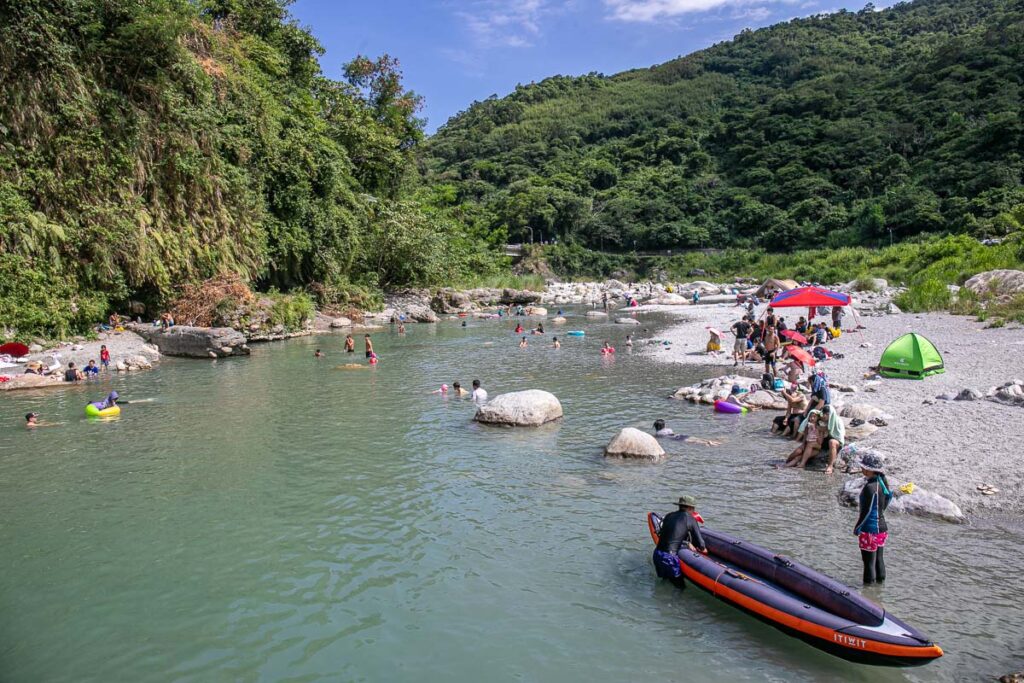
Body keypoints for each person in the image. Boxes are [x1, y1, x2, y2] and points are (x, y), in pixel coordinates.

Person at [652, 496, 706, 590]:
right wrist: (703, 549)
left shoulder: (669, 515)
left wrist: (686, 543)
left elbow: (669, 535)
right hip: (669, 558)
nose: (694, 511)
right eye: (693, 508)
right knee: (680, 588)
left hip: (657, 554)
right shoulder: (690, 519)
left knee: (664, 582)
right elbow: (701, 544)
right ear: (689, 508)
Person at [854, 453, 892, 584]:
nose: (861, 469)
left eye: (863, 466)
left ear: (869, 469)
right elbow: (889, 497)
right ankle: (879, 589)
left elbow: (867, 511)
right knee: (879, 559)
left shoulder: (870, 488)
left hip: (870, 530)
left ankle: (867, 593)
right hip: (882, 529)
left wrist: (858, 527)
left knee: (868, 563)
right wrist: (880, 513)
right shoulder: (882, 483)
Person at [652, 420, 721, 446]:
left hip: (677, 439)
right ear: (664, 425)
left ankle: (707, 443)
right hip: (680, 435)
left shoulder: (658, 434)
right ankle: (710, 441)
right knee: (696, 439)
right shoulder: (669, 429)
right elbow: (672, 433)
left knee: (695, 442)